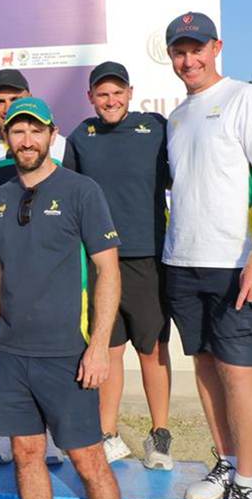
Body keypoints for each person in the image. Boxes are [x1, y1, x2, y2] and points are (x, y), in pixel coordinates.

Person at [163, 12, 252, 499]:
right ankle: (228, 462)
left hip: (234, 264)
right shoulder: (176, 117)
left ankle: (250, 486)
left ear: (216, 48)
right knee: (206, 367)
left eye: (197, 49)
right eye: (179, 51)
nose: (188, 60)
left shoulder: (245, 99)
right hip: (181, 262)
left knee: (239, 371)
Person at [0, 97, 122, 499]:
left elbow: (108, 271)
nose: (27, 140)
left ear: (52, 135)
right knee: (26, 452)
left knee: (87, 458)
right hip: (9, 353)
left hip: (67, 354)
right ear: (6, 137)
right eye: (18, 131)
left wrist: (98, 347)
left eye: (36, 130)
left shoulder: (82, 191)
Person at [66, 61, 173, 469]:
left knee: (152, 349)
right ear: (90, 97)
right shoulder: (82, 136)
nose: (110, 100)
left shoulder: (156, 128)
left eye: (117, 92)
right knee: (108, 349)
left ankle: (159, 435)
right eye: (102, 94)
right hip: (99, 262)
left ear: (130, 93)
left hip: (147, 259)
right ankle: (107, 434)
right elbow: (70, 196)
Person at [0, 69, 64, 466]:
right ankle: (4, 430)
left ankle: (50, 432)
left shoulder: (55, 145)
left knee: (45, 350)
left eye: (14, 99)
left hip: (45, 267)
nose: (6, 107)